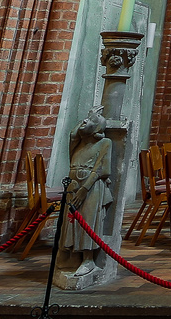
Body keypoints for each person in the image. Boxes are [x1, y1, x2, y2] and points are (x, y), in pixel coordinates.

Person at [59, 106, 114, 277]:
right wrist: (89, 116)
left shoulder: (104, 143)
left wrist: (84, 188)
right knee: (71, 222)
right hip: (73, 185)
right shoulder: (78, 143)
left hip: (90, 187)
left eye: (90, 121)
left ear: (97, 129)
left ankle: (88, 259)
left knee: (88, 221)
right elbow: (72, 135)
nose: (84, 122)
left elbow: (102, 170)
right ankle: (72, 255)